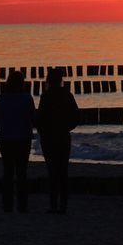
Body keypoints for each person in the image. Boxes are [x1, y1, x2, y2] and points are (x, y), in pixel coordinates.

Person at [36, 67, 81, 214]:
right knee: (63, 171)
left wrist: (42, 132)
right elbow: (76, 117)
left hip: (49, 137)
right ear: (61, 80)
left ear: (48, 80)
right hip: (62, 136)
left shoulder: (46, 96)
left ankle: (53, 204)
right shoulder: (67, 95)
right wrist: (67, 127)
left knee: (52, 171)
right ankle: (63, 205)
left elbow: (40, 119)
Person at [0, 70, 35, 213]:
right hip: (23, 139)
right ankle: (22, 205)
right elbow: (33, 118)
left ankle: (7, 205)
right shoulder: (27, 98)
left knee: (8, 172)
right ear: (22, 83)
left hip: (5, 138)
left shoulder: (1, 98)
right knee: (22, 172)